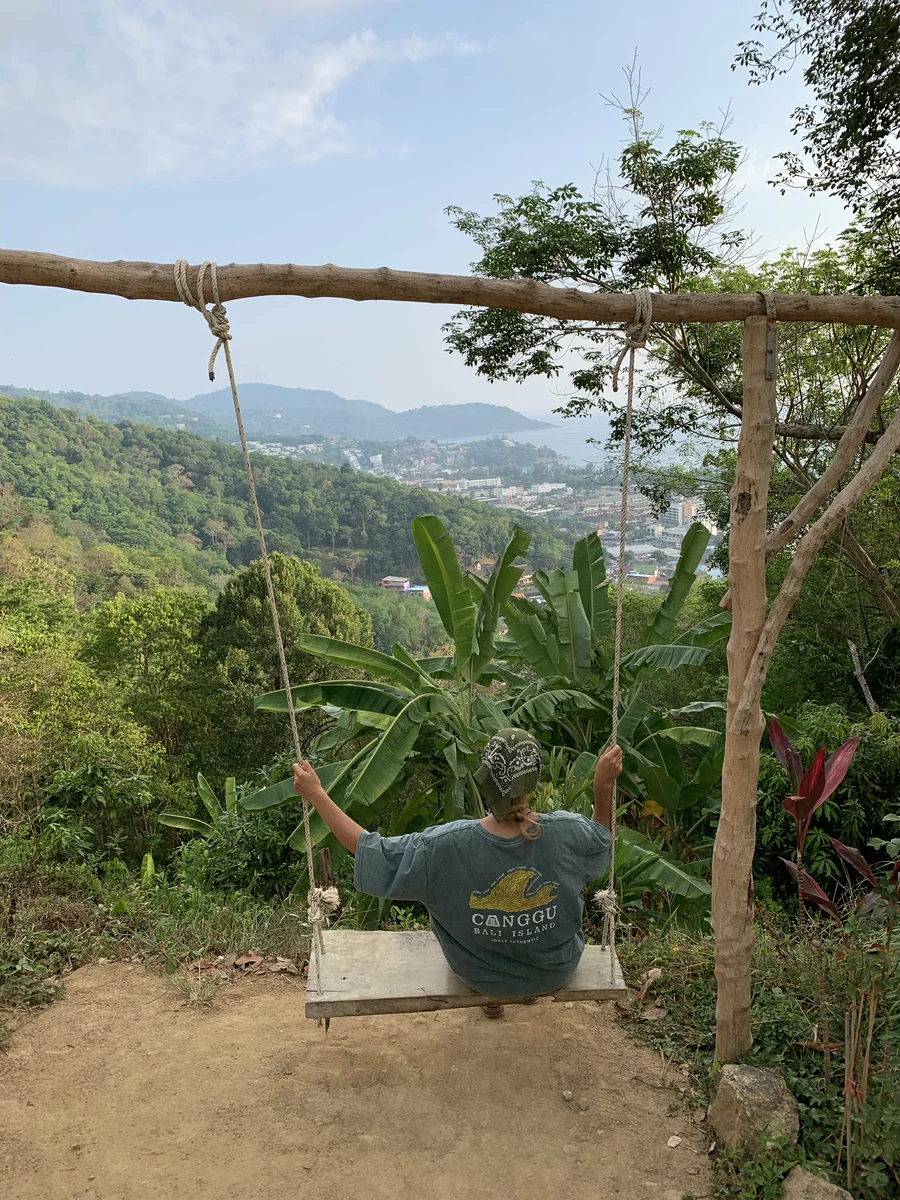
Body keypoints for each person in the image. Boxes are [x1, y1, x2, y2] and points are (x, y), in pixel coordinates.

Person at [292, 727, 623, 1017]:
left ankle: (496, 991)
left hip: (478, 973)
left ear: (484, 781)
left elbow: (370, 850)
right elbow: (601, 841)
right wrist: (602, 787)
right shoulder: (568, 832)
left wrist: (317, 795)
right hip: (555, 970)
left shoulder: (444, 845)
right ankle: (512, 981)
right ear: (533, 781)